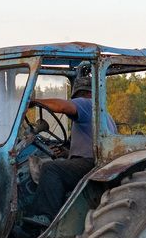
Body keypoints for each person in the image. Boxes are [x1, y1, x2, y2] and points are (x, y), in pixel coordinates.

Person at [25, 74, 115, 227]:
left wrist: (33, 101)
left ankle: (45, 216)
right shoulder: (103, 114)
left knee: (50, 169)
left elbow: (61, 107)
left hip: (90, 164)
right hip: (96, 161)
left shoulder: (87, 103)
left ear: (80, 94)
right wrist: (66, 153)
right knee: (57, 167)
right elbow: (90, 144)